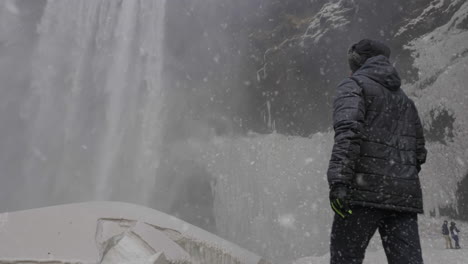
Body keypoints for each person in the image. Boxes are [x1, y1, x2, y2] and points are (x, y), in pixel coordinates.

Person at [327, 39, 427, 264]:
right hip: (402, 198)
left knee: (346, 258)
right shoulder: (406, 100)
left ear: (358, 61)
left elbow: (348, 133)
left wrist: (338, 183)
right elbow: (419, 153)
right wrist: (397, 177)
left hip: (362, 194)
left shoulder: (353, 85)